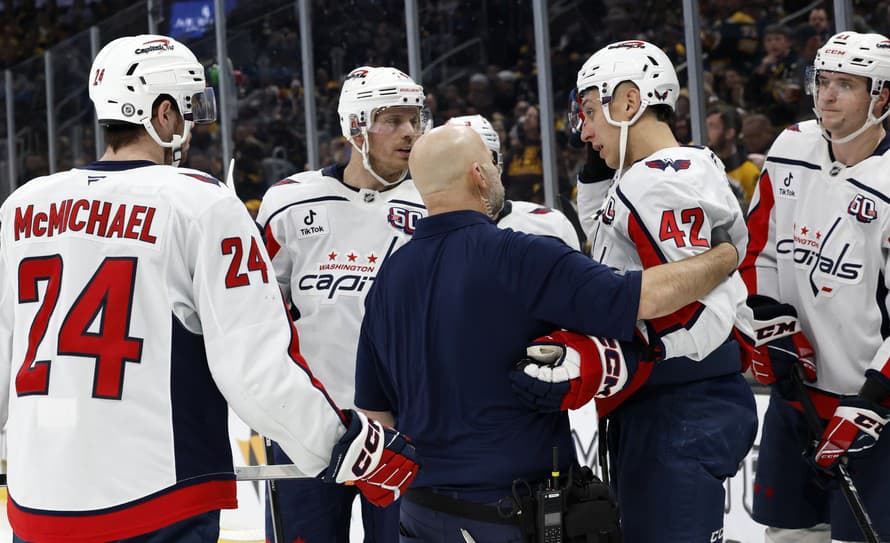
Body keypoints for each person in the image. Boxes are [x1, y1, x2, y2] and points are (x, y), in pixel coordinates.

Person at [0, 35, 418, 543]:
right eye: (191, 108)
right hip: (159, 494)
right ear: (164, 114)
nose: (194, 124)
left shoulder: (23, 206)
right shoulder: (200, 202)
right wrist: (348, 445)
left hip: (38, 499)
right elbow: (254, 365)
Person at [354, 124, 744, 542]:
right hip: (508, 512)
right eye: (491, 165)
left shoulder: (388, 278)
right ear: (479, 176)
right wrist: (725, 255)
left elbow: (376, 413)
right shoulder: (521, 256)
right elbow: (645, 298)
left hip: (419, 514)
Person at [571, 40, 757, 542]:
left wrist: (627, 354)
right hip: (682, 404)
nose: (585, 131)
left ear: (628, 102)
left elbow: (693, 310)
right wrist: (595, 182)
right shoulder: (676, 166)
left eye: (591, 111)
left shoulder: (655, 179)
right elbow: (620, 249)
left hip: (676, 407)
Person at [256, 65, 430, 543]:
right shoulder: (289, 203)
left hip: (402, 429)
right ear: (355, 127)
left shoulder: (434, 201)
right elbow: (258, 310)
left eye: (414, 118)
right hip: (306, 423)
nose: (410, 132)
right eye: (392, 120)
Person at [739, 31, 890, 542]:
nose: (825, 95)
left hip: (873, 412)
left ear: (882, 96)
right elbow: (758, 250)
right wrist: (768, 318)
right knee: (787, 536)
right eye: (822, 81)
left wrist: (875, 400)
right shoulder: (791, 147)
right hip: (797, 396)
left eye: (844, 85)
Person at [445, 114, 581, 250]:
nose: (474, 173)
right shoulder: (430, 236)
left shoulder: (548, 224)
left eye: (483, 161)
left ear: (497, 165)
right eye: (457, 165)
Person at [707, 103, 761, 206]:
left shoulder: (749, 172)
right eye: (706, 125)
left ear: (729, 133)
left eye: (713, 126)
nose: (706, 131)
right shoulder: (703, 161)